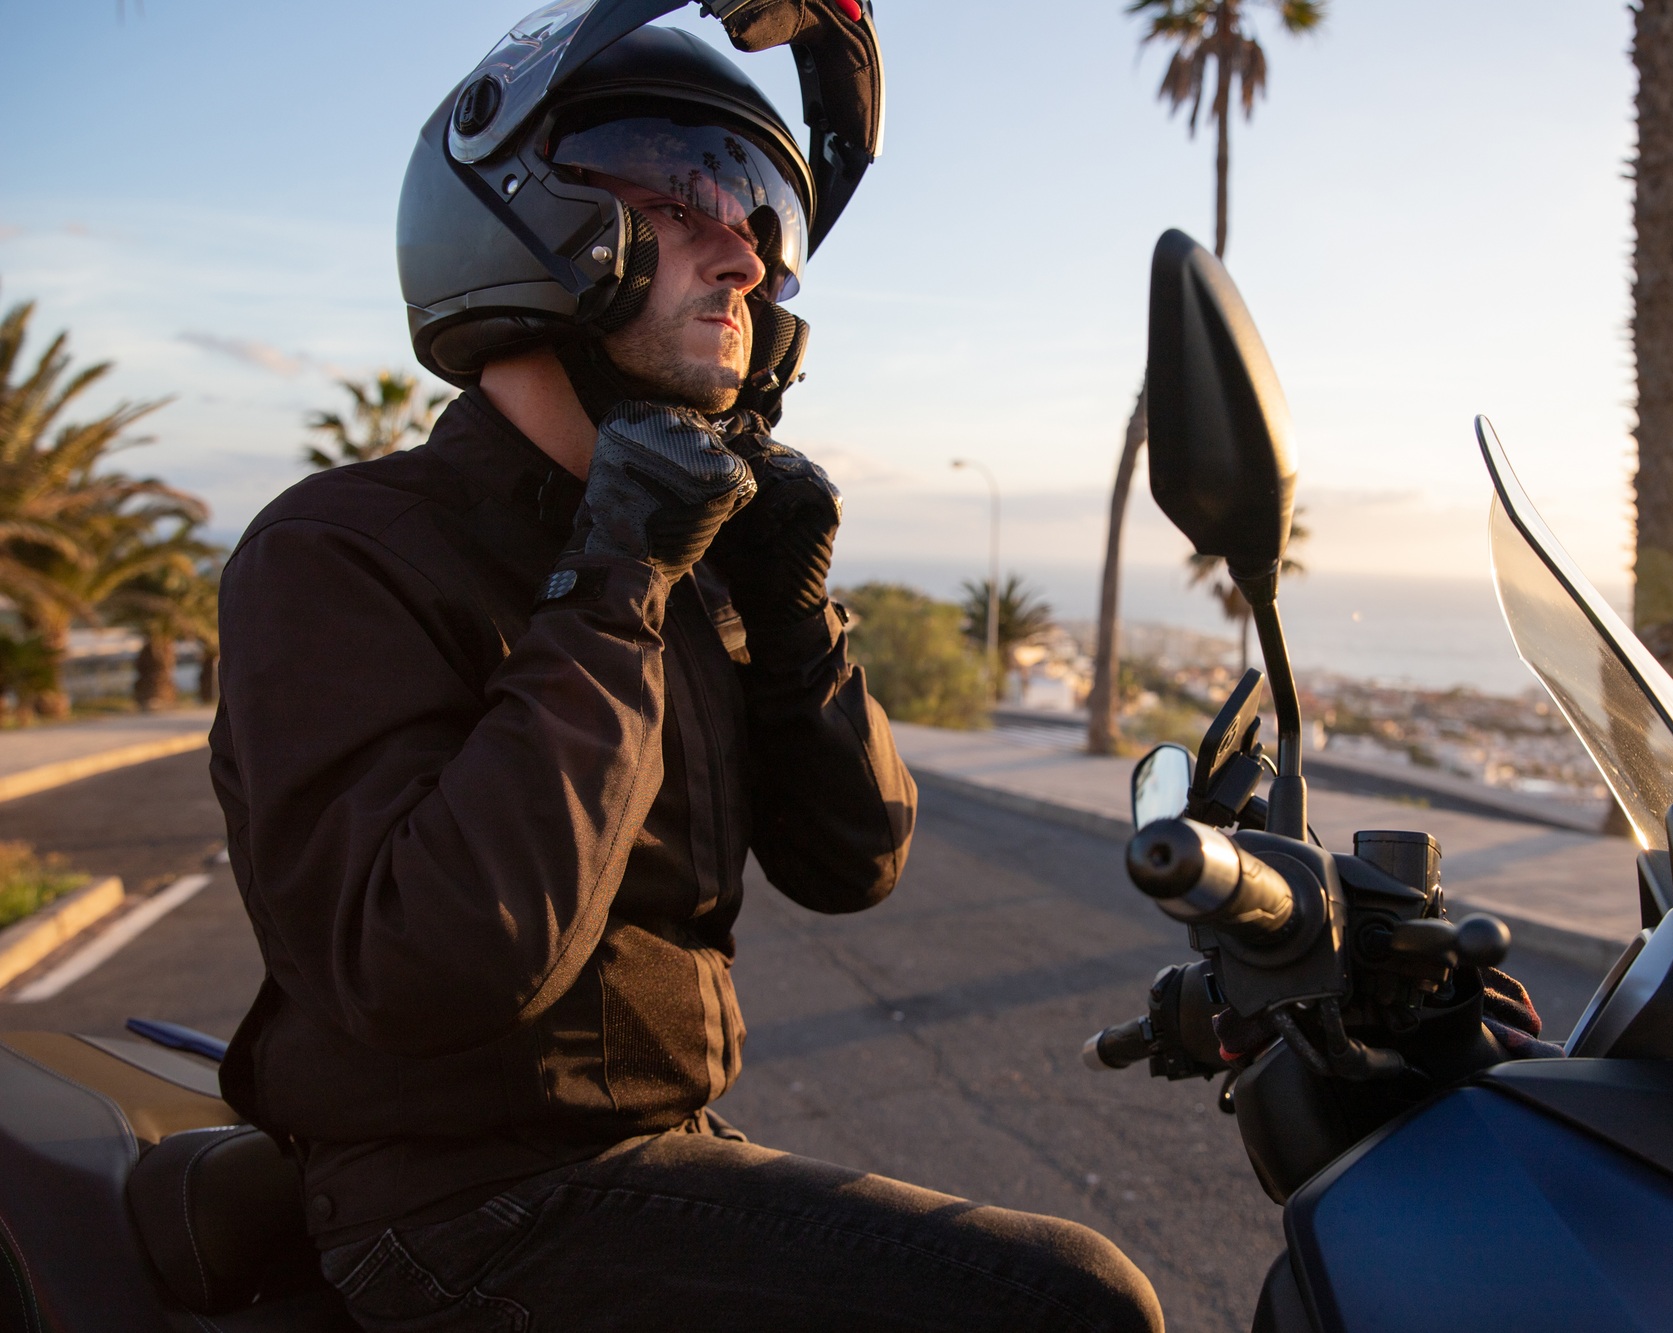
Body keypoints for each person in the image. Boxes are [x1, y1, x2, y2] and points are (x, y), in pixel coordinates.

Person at [208, 5, 1163, 1330]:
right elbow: (429, 962)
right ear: (531, 221)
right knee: (1066, 1304)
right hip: (450, 1203)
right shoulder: (338, 551)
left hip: (659, 1152)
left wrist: (793, 609)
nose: (748, 259)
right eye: (694, 196)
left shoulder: (687, 560)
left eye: (766, 219)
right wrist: (612, 589)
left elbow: (853, 860)